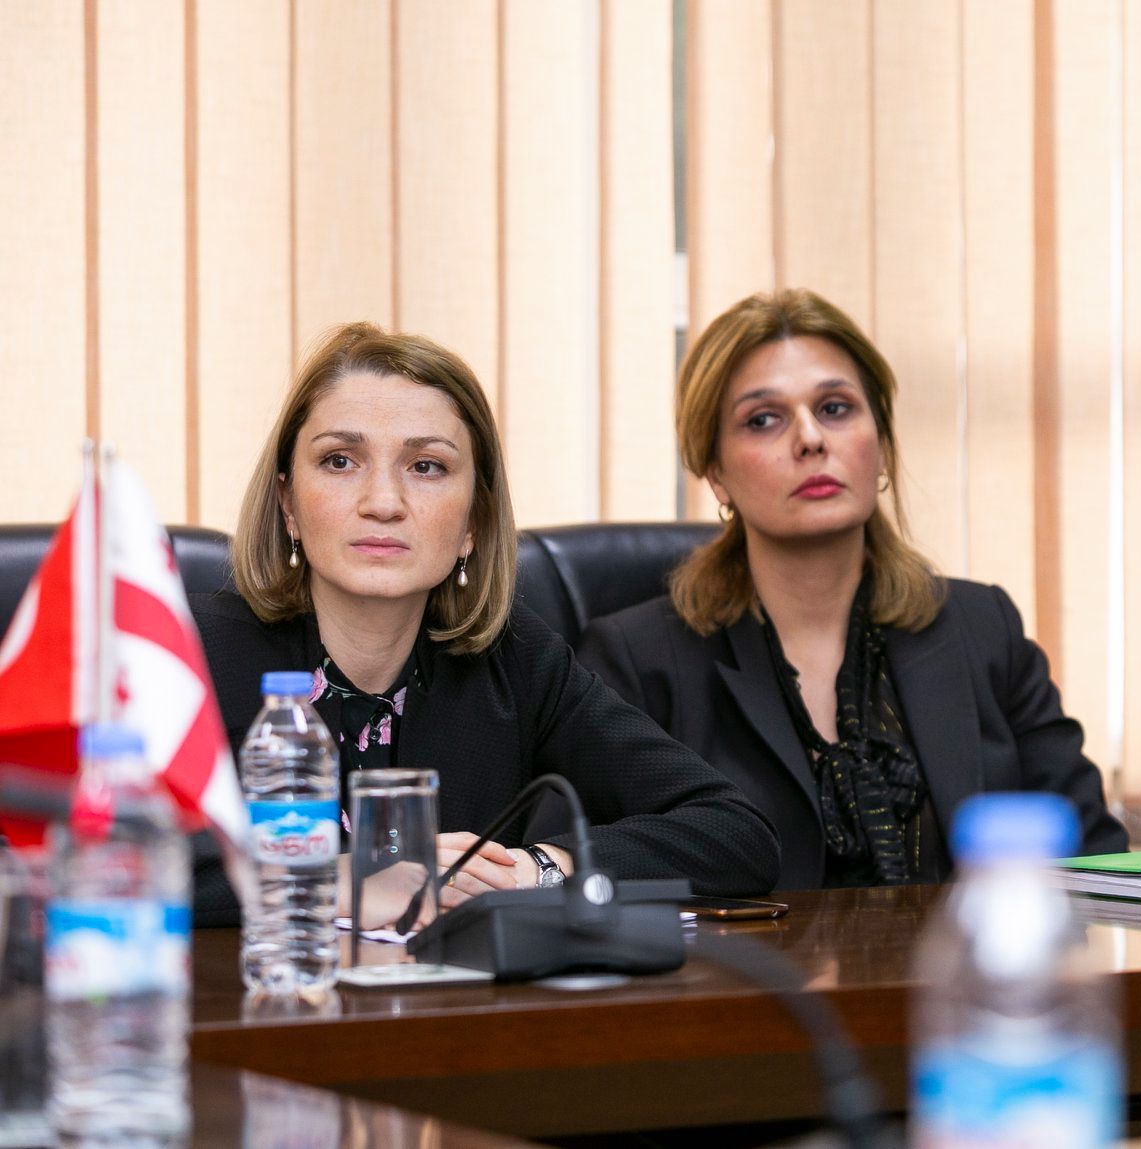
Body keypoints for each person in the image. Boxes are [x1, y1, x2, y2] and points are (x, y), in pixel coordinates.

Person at [190, 322, 780, 927]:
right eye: (340, 461)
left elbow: (735, 833)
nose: (383, 502)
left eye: (426, 466)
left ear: (473, 521)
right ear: (288, 503)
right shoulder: (191, 655)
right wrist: (333, 878)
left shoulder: (514, 660)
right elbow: (132, 856)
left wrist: (535, 869)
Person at [577, 288, 1127, 888]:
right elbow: (580, 870)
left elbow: (1097, 860)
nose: (811, 439)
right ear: (716, 474)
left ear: (882, 446)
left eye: (835, 408)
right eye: (763, 420)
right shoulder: (637, 661)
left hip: (963, 951)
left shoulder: (983, 628)